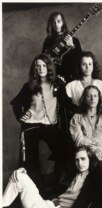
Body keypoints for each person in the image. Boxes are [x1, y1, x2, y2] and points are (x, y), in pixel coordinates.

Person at [10, 53, 76, 196]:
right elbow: (15, 103)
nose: (41, 68)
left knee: (66, 148)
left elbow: (67, 103)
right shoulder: (29, 86)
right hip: (31, 126)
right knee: (30, 159)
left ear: (49, 67)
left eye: (44, 65)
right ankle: (36, 193)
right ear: (34, 69)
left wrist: (83, 109)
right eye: (37, 66)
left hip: (49, 126)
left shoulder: (57, 84)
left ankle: (57, 189)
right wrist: (20, 117)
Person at [42, 11, 83, 83]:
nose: (56, 24)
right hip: (53, 77)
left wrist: (72, 46)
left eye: (58, 21)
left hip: (70, 78)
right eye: (53, 22)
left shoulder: (75, 40)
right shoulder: (48, 40)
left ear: (63, 22)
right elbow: (42, 59)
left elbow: (80, 60)